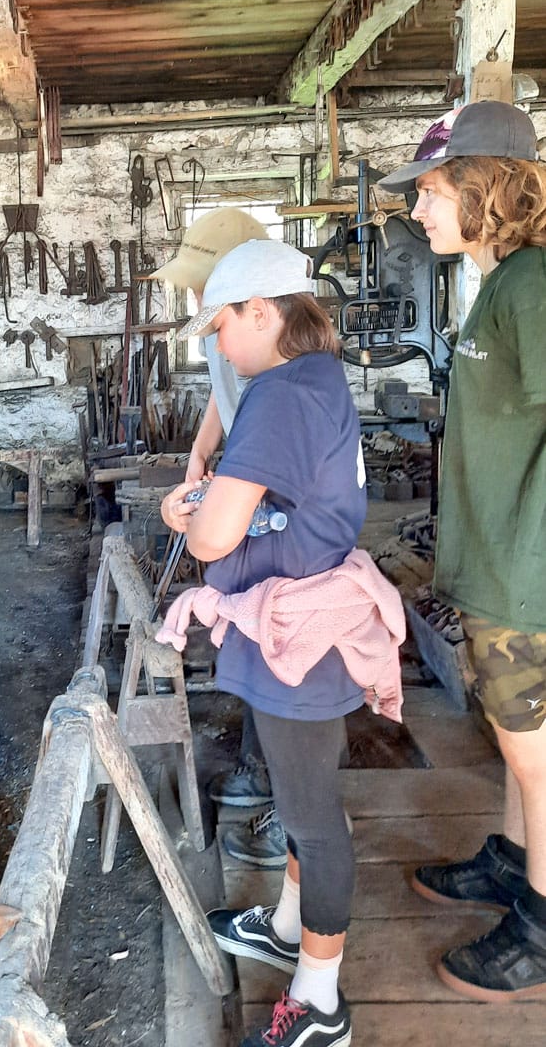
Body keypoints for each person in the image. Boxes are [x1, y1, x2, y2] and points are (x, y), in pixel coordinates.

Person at [159, 239, 402, 1047]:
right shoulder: (315, 377)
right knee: (302, 802)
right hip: (291, 620)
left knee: (311, 814)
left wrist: (186, 510)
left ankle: (321, 998)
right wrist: (213, 500)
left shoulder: (282, 393)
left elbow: (212, 539)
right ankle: (293, 925)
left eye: (219, 326)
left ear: (262, 314)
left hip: (299, 629)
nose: (215, 344)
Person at [379, 100, 546, 1001]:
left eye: (435, 190)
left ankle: (542, 932)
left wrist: (529, 555)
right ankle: (517, 862)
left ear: (486, 187)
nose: (420, 208)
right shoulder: (503, 284)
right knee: (522, 745)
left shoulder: (536, 286)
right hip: (499, 564)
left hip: (529, 576)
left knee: (537, 756)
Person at [150, 208, 288, 866]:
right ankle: (259, 770)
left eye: (206, 282)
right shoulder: (222, 323)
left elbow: (270, 434)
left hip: (280, 504)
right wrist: (200, 456)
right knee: (255, 632)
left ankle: (291, 809)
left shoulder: (275, 345)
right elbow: (219, 394)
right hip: (248, 485)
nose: (196, 295)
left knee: (285, 644)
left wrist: (222, 504)